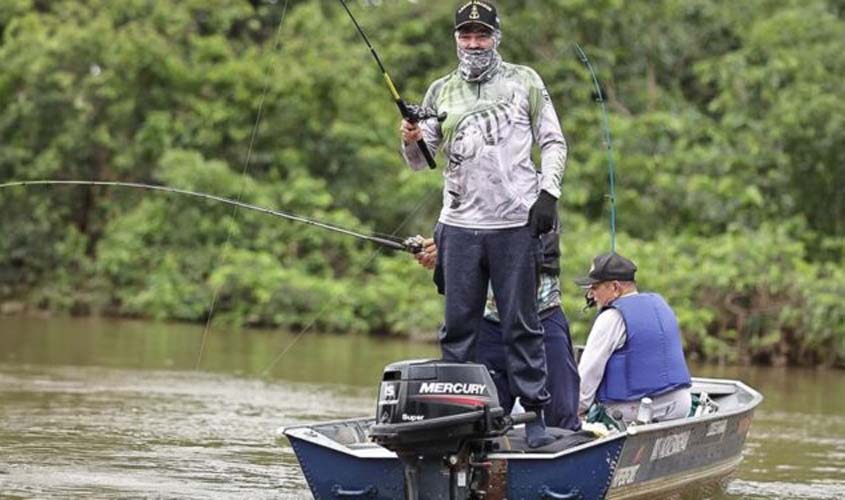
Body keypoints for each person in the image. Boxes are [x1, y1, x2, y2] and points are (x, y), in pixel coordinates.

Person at [400, 1, 568, 447]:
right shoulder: (440, 91)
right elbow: (422, 163)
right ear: (456, 38)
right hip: (457, 224)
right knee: (458, 329)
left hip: (514, 224)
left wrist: (548, 193)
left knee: (522, 324)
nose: (474, 43)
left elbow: (553, 141)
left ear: (497, 36)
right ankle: (458, 425)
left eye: (482, 34)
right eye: (466, 35)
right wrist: (411, 139)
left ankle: (534, 421)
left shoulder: (525, 80)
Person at [414, 225, 581, 432]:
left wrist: (460, 249)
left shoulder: (537, 201)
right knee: (483, 421)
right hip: (488, 325)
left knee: (561, 414)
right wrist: (448, 251)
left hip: (543, 318)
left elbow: (528, 246)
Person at [575, 252, 692, 423]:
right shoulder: (661, 305)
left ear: (615, 287)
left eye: (594, 288)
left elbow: (589, 373)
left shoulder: (611, 317)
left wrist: (575, 411)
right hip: (680, 407)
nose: (592, 296)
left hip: (634, 411)